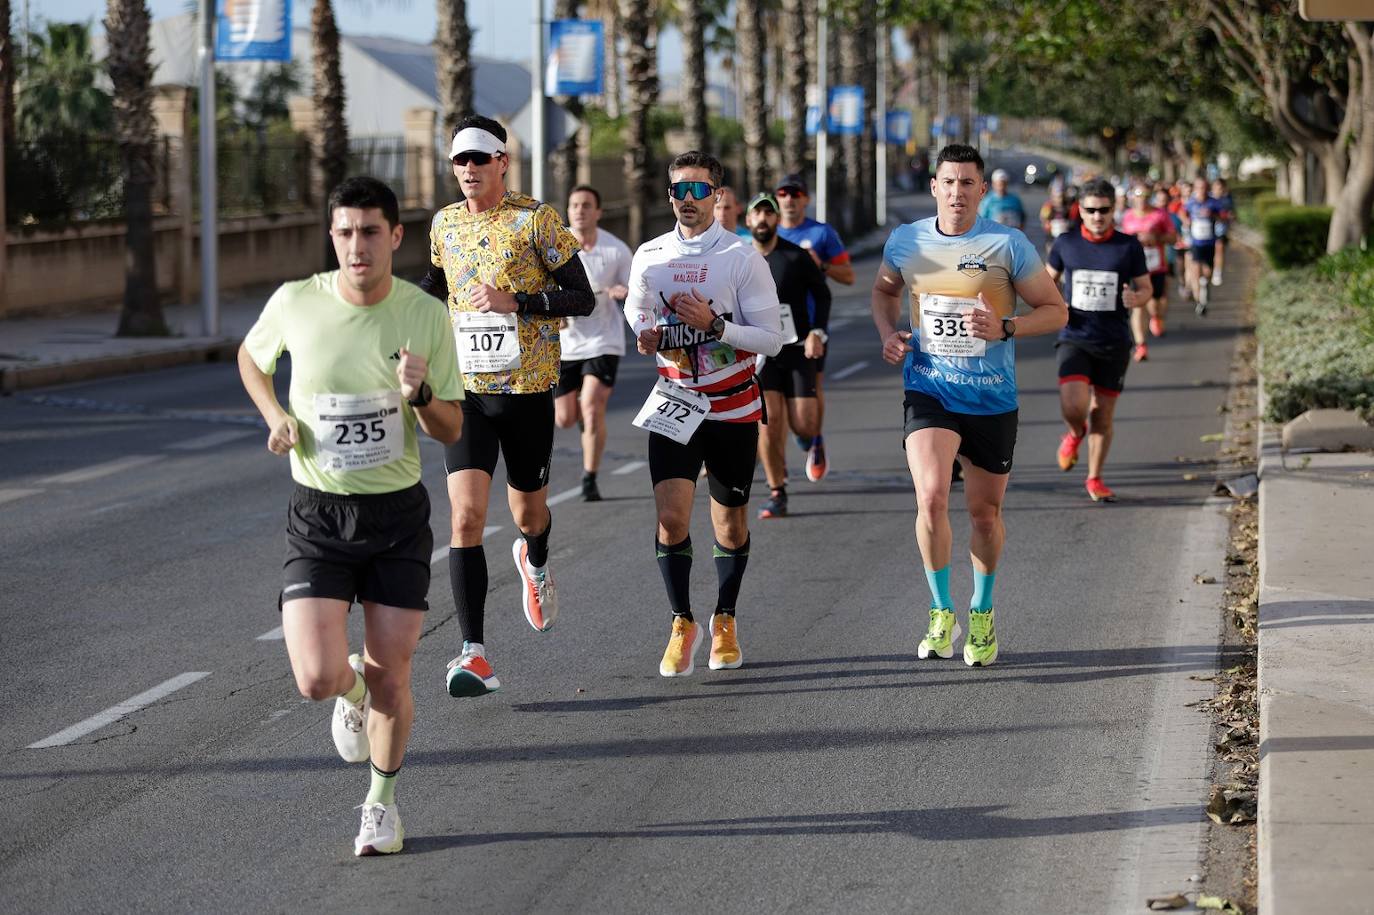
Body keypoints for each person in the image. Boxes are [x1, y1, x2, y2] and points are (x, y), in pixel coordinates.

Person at [238, 177, 465, 856]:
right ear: (331, 237)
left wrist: (420, 392)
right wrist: (276, 415)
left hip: (396, 516)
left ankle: (380, 804)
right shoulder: (295, 302)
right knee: (314, 676)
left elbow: (450, 428)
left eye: (370, 231)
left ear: (396, 237)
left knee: (395, 671)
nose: (356, 246)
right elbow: (252, 358)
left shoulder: (425, 314)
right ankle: (351, 690)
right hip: (318, 511)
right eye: (345, 232)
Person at [871, 144, 1067, 667]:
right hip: (930, 387)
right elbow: (885, 291)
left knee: (984, 514)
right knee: (931, 496)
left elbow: (1054, 311)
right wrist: (890, 334)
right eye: (948, 182)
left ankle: (981, 611)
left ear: (982, 190)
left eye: (967, 183)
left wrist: (1007, 326)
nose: (957, 192)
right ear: (934, 186)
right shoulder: (906, 240)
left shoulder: (1008, 244)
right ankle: (941, 611)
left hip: (991, 396)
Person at [419, 115, 595, 698]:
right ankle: (474, 655)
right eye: (459, 161)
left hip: (526, 392)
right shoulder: (444, 223)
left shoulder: (537, 219)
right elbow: (433, 285)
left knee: (527, 515)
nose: (468, 170)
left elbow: (582, 297)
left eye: (479, 159)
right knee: (464, 518)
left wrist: (513, 300)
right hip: (463, 392)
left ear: (502, 162)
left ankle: (535, 559)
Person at [623, 150, 784, 676]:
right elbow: (639, 315)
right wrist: (645, 336)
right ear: (668, 195)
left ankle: (725, 618)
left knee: (729, 527)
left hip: (732, 404)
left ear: (718, 195)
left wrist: (716, 327)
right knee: (670, 520)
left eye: (698, 190)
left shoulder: (741, 259)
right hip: (674, 400)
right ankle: (681, 621)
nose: (687, 200)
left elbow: (773, 340)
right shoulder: (649, 255)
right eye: (678, 191)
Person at [1047, 178, 1150, 502]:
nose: (1097, 216)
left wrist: (1138, 298)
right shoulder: (1066, 243)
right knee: (1073, 404)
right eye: (1090, 210)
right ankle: (1075, 432)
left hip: (1114, 341)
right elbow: (1047, 282)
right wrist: (1053, 302)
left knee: (1102, 415)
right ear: (1081, 210)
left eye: (1104, 210)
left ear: (1113, 209)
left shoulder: (1128, 246)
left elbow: (1145, 286)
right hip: (1075, 336)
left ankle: (1094, 478)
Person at [744, 191, 831, 519]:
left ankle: (811, 439)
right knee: (769, 423)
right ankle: (777, 491)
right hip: (760, 353)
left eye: (769, 214)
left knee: (803, 423)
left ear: (777, 220)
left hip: (796, 347)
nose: (763, 220)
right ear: (748, 220)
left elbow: (822, 295)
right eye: (758, 214)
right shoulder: (739, 257)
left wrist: (817, 332)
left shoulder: (796, 256)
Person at [775, 172, 854, 483]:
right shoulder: (764, 232)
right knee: (775, 400)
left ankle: (814, 438)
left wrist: (819, 264)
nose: (790, 199)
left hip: (809, 329)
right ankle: (776, 478)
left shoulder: (821, 234)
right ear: (776, 198)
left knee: (811, 388)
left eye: (796, 194)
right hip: (772, 329)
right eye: (784, 193)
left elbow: (848, 275)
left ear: (805, 199)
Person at [555, 184, 633, 501]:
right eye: (574, 205)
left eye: (587, 205)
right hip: (566, 343)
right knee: (565, 418)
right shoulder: (555, 246)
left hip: (604, 340)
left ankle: (590, 476)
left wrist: (622, 292)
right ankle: (587, 429)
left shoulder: (616, 250)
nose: (580, 210)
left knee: (591, 404)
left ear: (598, 212)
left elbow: (635, 290)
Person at [1120, 184, 1177, 361]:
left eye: (1145, 195)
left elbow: (1173, 237)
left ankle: (1156, 317)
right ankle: (1141, 345)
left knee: (1156, 301)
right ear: (1132, 198)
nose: (1142, 199)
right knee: (1138, 304)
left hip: (1155, 266)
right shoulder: (1127, 216)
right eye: (1138, 195)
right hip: (1135, 268)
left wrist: (1156, 238)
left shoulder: (1160, 214)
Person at [1181, 177, 1225, 315]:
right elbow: (1182, 212)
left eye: (1205, 187)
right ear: (1195, 189)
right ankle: (1200, 301)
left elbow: (1223, 217)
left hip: (1209, 242)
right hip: (1196, 242)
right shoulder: (1191, 202)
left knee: (1207, 272)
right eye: (1199, 187)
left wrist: (1213, 215)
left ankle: (1204, 284)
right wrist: (1186, 221)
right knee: (1195, 269)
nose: (1202, 190)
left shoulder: (1214, 203)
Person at [1210, 177, 1234, 286]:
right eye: (1215, 188)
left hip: (1220, 230)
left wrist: (1227, 217)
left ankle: (1217, 272)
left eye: (1220, 188)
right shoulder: (1207, 199)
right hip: (1206, 231)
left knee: (1219, 249)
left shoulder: (1227, 200)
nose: (1218, 190)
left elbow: (1231, 215)